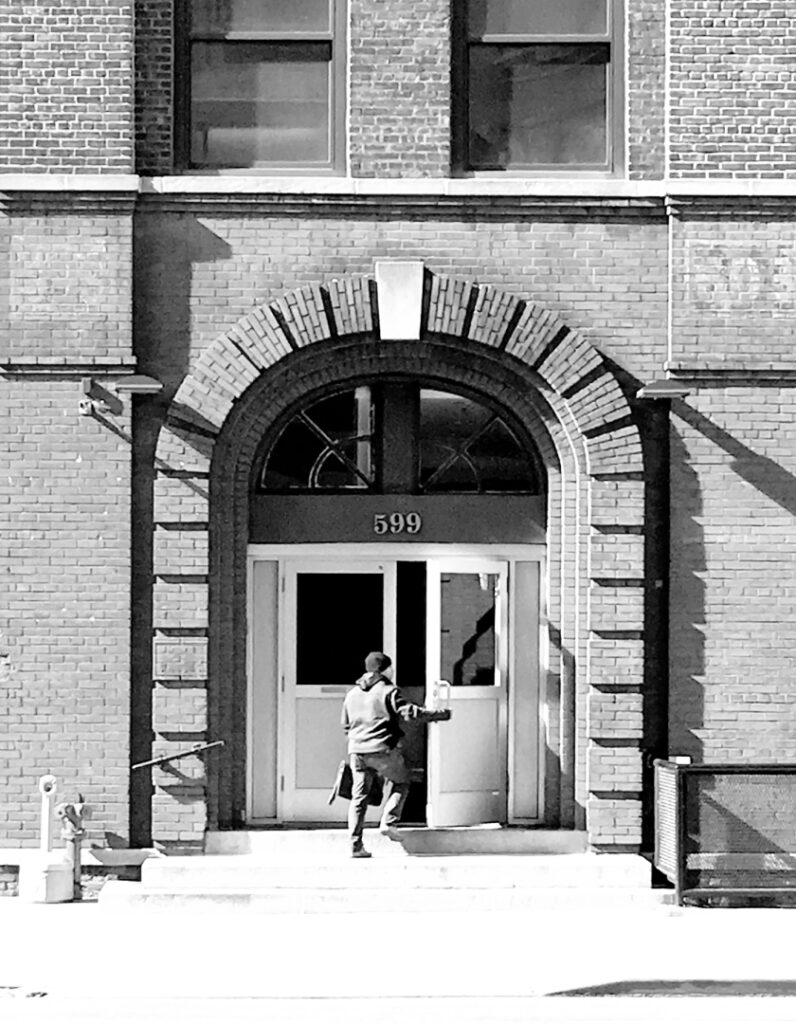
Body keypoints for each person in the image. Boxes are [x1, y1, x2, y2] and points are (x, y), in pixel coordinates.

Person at [341, 651, 451, 859]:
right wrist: (440, 714)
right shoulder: (389, 691)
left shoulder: (352, 694)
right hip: (382, 749)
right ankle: (389, 822)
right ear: (385, 669)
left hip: (357, 751)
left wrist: (357, 742)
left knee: (359, 797)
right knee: (402, 781)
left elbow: (346, 726)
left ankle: (355, 846)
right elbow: (409, 713)